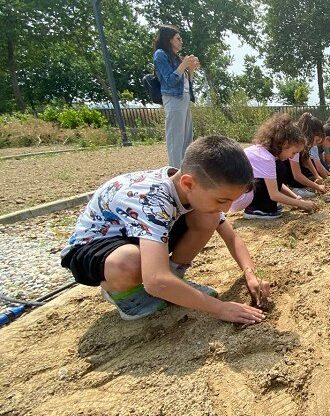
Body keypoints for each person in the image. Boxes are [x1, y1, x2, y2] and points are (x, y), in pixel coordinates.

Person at [60, 136, 270, 324]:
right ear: (188, 183)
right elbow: (155, 281)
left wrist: (250, 274)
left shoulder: (190, 188)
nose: (226, 208)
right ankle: (124, 294)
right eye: (222, 200)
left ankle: (174, 280)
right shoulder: (153, 200)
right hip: (90, 250)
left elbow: (232, 238)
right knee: (130, 262)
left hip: (135, 237)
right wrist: (220, 308)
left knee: (209, 217)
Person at [237, 114, 317, 219]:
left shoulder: (265, 152)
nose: (292, 157)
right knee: (280, 168)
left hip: (242, 194)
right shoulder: (266, 158)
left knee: (279, 167)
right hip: (240, 197)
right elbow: (274, 194)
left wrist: (297, 199)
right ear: (285, 144)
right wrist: (302, 204)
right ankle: (258, 209)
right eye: (293, 152)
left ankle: (262, 206)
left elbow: (275, 184)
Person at [152, 25, 200, 168]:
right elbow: (170, 80)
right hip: (173, 99)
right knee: (175, 139)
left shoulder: (176, 58)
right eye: (178, 38)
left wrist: (190, 70)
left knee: (187, 138)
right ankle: (174, 173)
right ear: (169, 39)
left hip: (184, 98)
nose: (181, 42)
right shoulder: (160, 54)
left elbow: (186, 83)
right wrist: (183, 65)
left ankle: (185, 172)